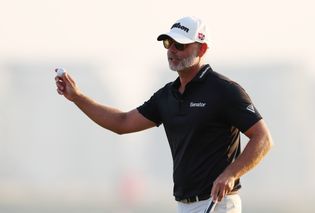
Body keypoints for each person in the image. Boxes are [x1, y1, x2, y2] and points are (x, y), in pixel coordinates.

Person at [55, 16, 273, 213]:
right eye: (168, 43)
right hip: (184, 205)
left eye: (180, 45)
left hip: (219, 205)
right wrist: (77, 97)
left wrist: (231, 174)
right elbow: (122, 123)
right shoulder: (166, 96)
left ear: (202, 49)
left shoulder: (225, 90)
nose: (172, 50)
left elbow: (263, 139)